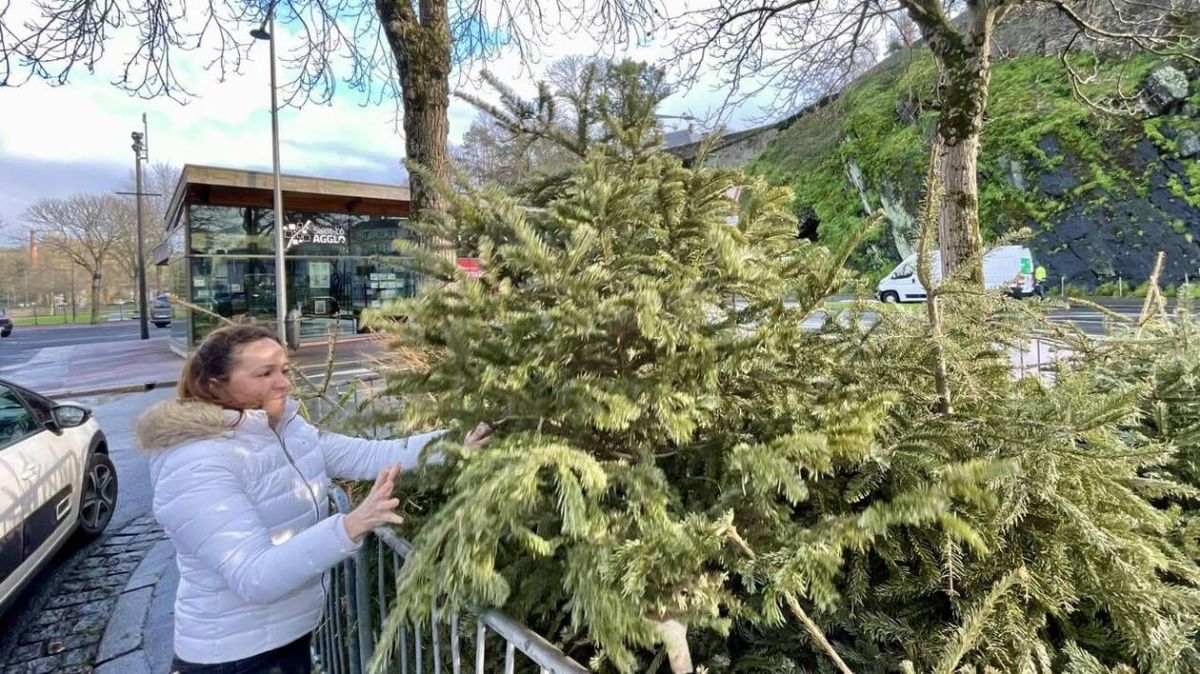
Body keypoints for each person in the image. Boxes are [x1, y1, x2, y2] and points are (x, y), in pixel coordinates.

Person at [135, 324, 489, 674]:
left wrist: (457, 442)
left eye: (284, 370)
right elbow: (255, 576)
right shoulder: (195, 461)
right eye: (265, 373)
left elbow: (366, 455)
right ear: (215, 384)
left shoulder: (286, 430)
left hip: (288, 639)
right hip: (233, 658)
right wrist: (350, 526)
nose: (284, 382)